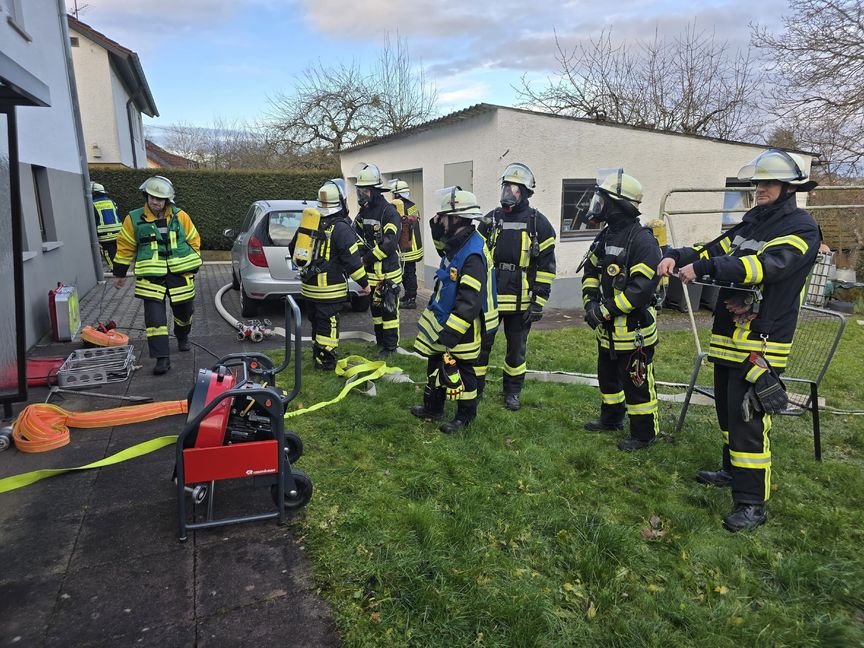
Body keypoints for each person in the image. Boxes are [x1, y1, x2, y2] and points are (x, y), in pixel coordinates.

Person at [657, 149, 820, 532]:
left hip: (762, 341)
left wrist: (705, 267)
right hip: (728, 337)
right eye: (758, 182)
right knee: (729, 415)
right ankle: (731, 472)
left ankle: (751, 504)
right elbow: (712, 251)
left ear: (788, 188)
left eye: (769, 183)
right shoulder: (751, 224)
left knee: (748, 420)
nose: (760, 188)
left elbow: (764, 267)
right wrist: (675, 255)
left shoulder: (801, 228)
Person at [580, 169, 662, 451]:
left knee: (636, 384)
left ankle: (643, 434)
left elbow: (640, 292)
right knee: (608, 379)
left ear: (617, 204)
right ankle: (611, 419)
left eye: (602, 199)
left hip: (633, 333)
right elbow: (590, 270)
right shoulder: (605, 237)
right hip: (607, 332)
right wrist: (590, 302)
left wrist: (603, 311)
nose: (597, 204)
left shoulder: (642, 241)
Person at [411, 187, 497, 433]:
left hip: (465, 324)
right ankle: (433, 408)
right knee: (436, 362)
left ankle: (464, 417)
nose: (440, 220)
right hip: (447, 317)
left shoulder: (473, 254)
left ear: (456, 218)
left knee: (465, 371)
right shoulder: (459, 241)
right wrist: (436, 230)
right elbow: (443, 250)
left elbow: (469, 301)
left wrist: (452, 334)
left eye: (443, 217)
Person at [476, 162, 556, 411]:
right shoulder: (490, 219)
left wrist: (538, 301)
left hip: (521, 300)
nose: (508, 193)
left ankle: (512, 392)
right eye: (505, 188)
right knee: (481, 345)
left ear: (526, 192)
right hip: (491, 296)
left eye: (514, 189)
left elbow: (546, 267)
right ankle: (475, 388)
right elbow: (476, 255)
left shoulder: (538, 223)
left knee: (516, 351)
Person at [112, 175, 201, 375]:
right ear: (146, 196)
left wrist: (192, 262)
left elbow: (194, 239)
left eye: (159, 199)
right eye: (152, 197)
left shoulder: (181, 216)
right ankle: (162, 358)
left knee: (184, 314)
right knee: (155, 321)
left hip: (180, 275)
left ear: (167, 200)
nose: (155, 202)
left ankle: (182, 336)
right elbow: (125, 247)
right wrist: (119, 274)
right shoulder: (133, 219)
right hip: (151, 278)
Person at [289, 179, 371, 370]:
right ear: (341, 202)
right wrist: (364, 284)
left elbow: (293, 246)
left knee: (317, 323)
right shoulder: (341, 228)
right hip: (330, 290)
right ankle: (326, 363)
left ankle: (318, 356)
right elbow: (353, 262)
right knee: (329, 326)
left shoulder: (311, 222)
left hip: (309, 287)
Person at [353, 163, 402, 357]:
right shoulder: (362, 213)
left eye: (364, 190)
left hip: (388, 273)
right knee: (376, 312)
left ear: (374, 191)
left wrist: (366, 259)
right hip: (372, 274)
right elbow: (354, 237)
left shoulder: (388, 212)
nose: (361, 194)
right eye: (359, 190)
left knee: (389, 312)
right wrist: (358, 255)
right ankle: (380, 343)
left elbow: (389, 244)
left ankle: (390, 348)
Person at [389, 179, 423, 309]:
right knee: (410, 272)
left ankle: (411, 300)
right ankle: (409, 295)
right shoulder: (412, 205)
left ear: (397, 194)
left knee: (408, 273)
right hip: (414, 244)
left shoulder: (399, 206)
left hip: (407, 247)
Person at [90, 182, 122, 272]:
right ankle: (121, 267)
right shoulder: (111, 201)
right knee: (118, 251)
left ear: (94, 193)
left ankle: (114, 269)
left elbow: (93, 219)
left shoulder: (92, 204)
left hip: (104, 233)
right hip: (119, 231)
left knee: (107, 252)